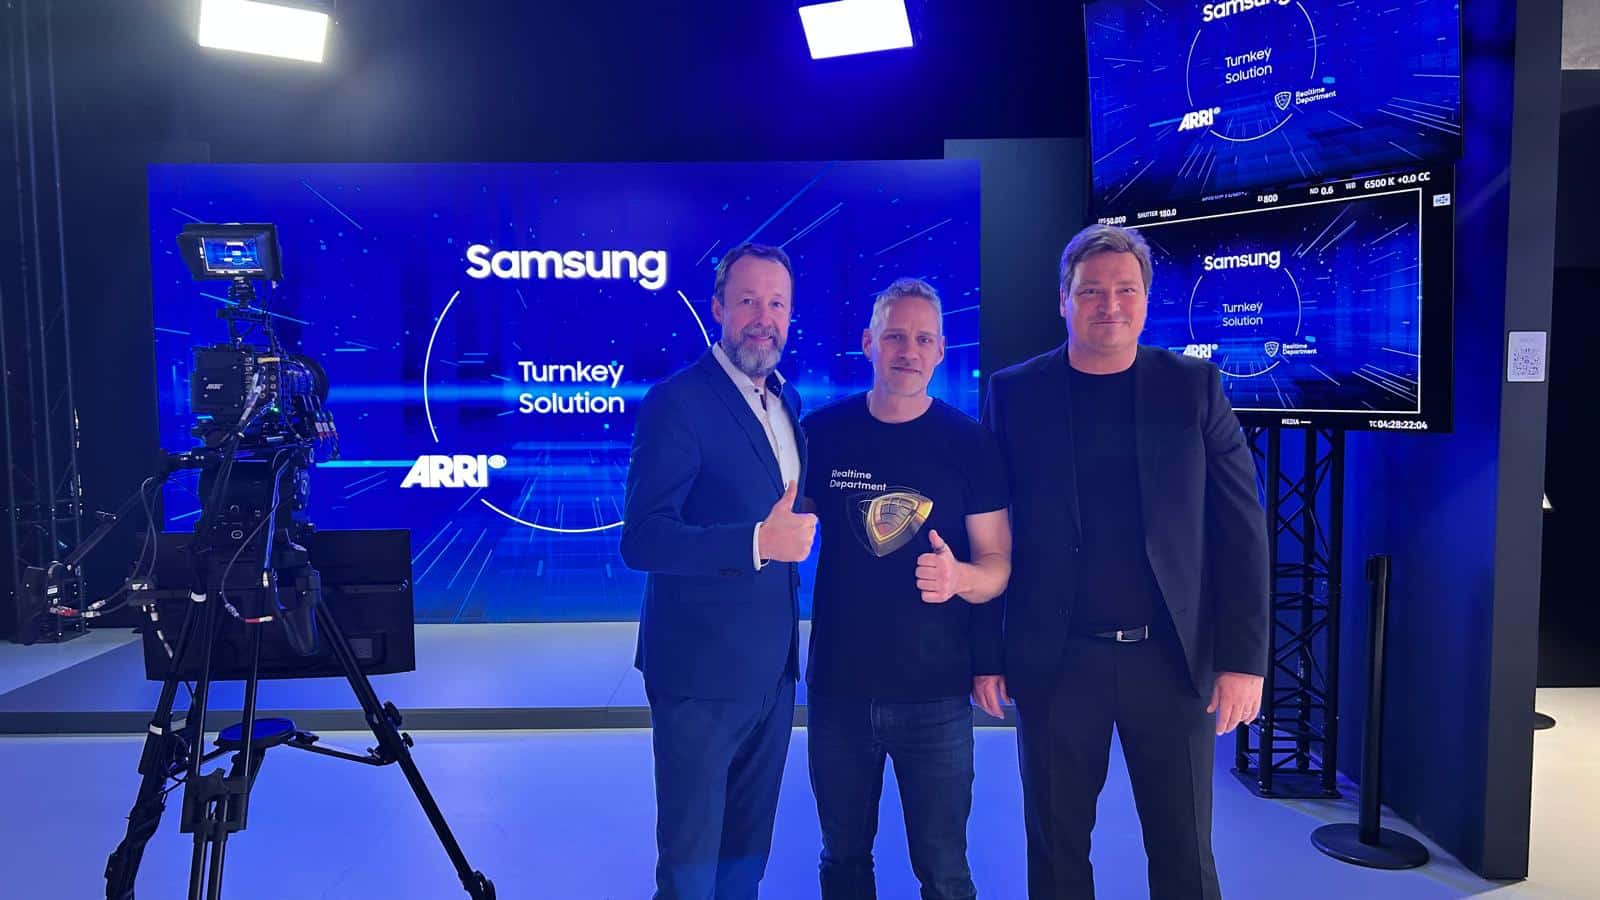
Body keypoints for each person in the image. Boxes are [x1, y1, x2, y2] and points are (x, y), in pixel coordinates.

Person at [975, 224, 1270, 899]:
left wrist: (1245, 659)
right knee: (1056, 855)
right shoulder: (1015, 393)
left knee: (1185, 856)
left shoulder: (1194, 387)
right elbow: (988, 532)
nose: (1110, 305)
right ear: (1063, 300)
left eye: (1125, 291)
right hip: (1057, 662)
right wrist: (986, 652)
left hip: (1171, 662)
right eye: (1092, 292)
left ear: (1145, 299)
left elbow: (1241, 531)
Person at [801, 277, 1012, 900]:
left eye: (923, 338)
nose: (908, 350)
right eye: (895, 335)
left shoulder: (970, 444)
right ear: (869, 342)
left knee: (945, 873)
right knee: (842, 861)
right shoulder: (823, 433)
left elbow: (998, 562)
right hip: (839, 691)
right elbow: (776, 530)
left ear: (941, 350)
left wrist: (960, 579)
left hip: (936, 696)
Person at [620, 242, 814, 900]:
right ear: (718, 310)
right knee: (691, 868)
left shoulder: (786, 402)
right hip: (700, 681)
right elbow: (643, 539)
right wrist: (757, 540)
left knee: (744, 863)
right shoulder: (677, 402)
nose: (765, 316)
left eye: (778, 303)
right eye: (749, 301)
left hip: (772, 675)